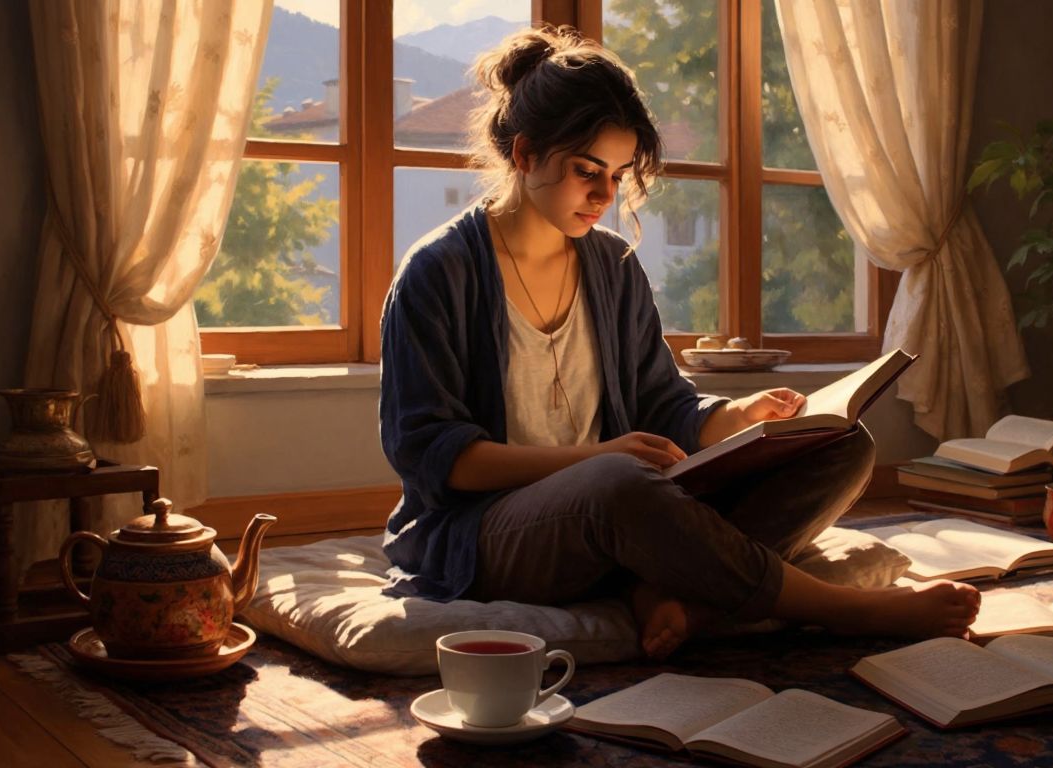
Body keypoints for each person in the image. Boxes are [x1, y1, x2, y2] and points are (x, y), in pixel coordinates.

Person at [379, 25, 979, 660]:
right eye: (587, 171)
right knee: (618, 485)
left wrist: (740, 419)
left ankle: (673, 593)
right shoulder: (440, 271)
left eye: (617, 174)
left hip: (620, 506)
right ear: (525, 154)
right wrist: (596, 459)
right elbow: (436, 458)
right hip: (486, 533)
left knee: (843, 446)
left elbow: (664, 408)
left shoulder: (610, 266)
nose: (606, 196)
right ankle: (839, 609)